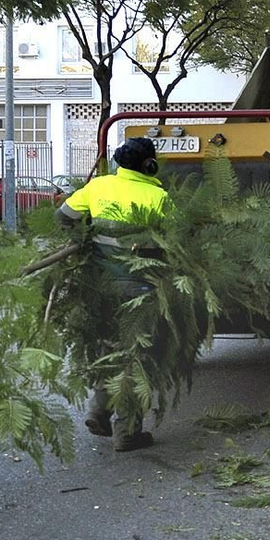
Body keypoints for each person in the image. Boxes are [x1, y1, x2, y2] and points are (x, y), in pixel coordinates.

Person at [57, 136, 171, 453]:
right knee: (137, 358)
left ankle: (98, 409)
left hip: (99, 289)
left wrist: (87, 240)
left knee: (108, 350)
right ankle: (127, 432)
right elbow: (177, 239)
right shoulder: (157, 196)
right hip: (139, 292)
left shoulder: (98, 188)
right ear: (150, 165)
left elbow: (63, 218)